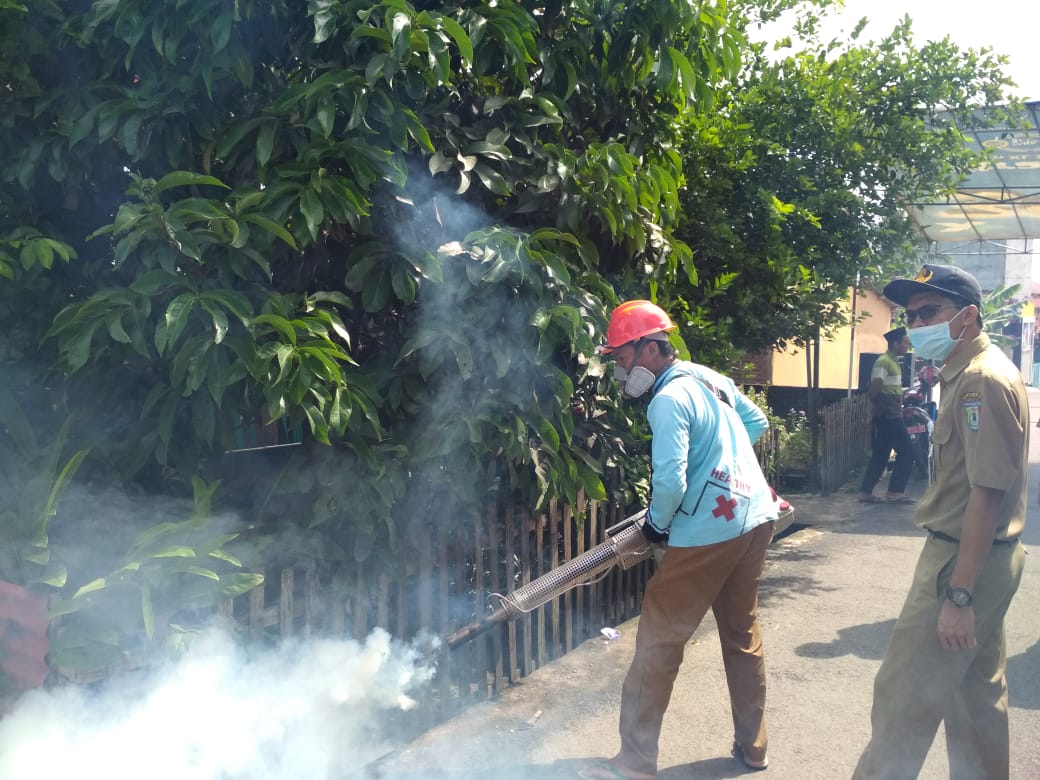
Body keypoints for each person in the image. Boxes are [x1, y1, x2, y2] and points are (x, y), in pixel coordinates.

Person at [579, 300, 778, 780]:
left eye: (623, 357)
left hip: (709, 533)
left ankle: (634, 760)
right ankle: (754, 748)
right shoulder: (707, 377)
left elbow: (669, 482)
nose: (621, 368)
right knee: (741, 634)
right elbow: (756, 424)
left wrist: (657, 527)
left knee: (659, 640)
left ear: (649, 349)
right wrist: (726, 469)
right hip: (755, 518)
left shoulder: (668, 400)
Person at [853, 264, 1028, 779]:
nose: (916, 325)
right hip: (980, 556)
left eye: (929, 312)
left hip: (961, 561)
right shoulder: (968, 373)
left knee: (903, 696)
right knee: (974, 697)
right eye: (911, 315)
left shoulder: (980, 381)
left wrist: (959, 596)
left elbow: (986, 495)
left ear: (968, 316)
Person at [857, 326, 916, 504]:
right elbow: (875, 387)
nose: (907, 346)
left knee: (881, 453)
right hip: (889, 416)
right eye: (905, 342)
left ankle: (866, 492)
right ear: (896, 343)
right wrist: (878, 408)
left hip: (889, 414)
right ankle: (895, 491)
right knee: (907, 452)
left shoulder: (893, 362)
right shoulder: (884, 362)